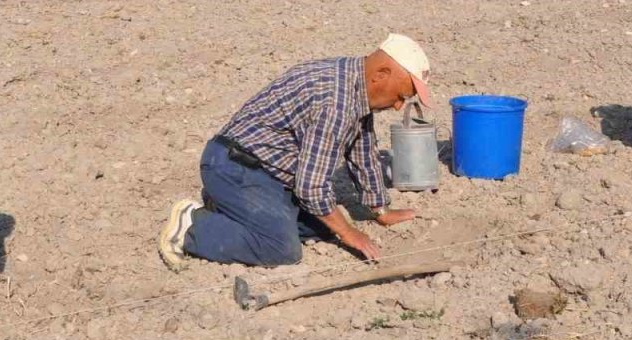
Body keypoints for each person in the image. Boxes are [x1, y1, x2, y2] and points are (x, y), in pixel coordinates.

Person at [158, 33, 431, 269]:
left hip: (261, 171)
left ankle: (228, 207)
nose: (398, 106)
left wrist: (379, 209)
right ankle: (190, 227)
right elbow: (311, 188)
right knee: (281, 248)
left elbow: (362, 147)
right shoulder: (336, 102)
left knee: (322, 228)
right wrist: (350, 233)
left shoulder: (351, 78)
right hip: (234, 166)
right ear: (380, 75)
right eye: (401, 96)